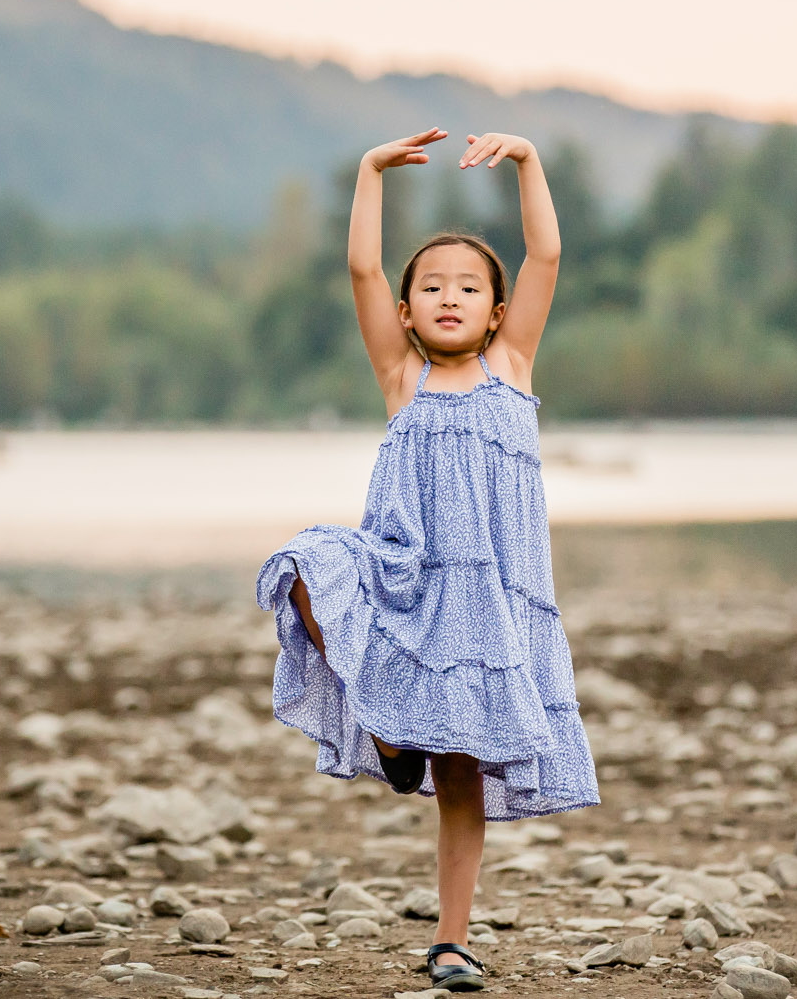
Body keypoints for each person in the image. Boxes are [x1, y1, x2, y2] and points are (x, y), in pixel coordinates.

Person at [255, 127, 599, 992]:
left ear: (496, 308)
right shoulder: (399, 377)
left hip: (486, 607)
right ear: (408, 312)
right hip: (408, 577)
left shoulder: (512, 368)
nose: (450, 296)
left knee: (460, 782)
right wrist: (370, 172)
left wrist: (527, 161)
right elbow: (362, 271)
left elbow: (547, 251)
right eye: (432, 287)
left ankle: (452, 939)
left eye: (470, 287)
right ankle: (383, 719)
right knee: (304, 564)